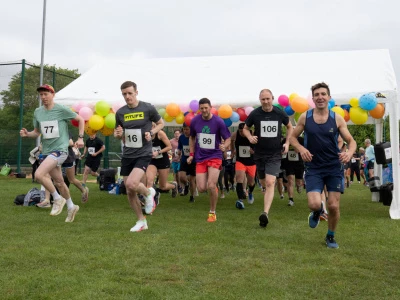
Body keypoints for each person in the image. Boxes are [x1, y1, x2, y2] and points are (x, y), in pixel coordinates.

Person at [289, 82, 356, 249]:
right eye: (317, 95)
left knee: (333, 205)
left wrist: (348, 153)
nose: (320, 97)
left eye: (323, 94)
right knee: (313, 203)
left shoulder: (337, 118)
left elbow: (351, 141)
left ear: (329, 97)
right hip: (314, 167)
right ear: (313, 98)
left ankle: (330, 236)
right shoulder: (305, 117)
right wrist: (301, 148)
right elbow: (292, 137)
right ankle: (317, 211)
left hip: (334, 167)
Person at [19, 84, 84, 222]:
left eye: (46, 94)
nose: (43, 97)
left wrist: (80, 138)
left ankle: (57, 198)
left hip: (60, 150)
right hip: (47, 151)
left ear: (53, 95)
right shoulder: (38, 112)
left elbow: (80, 120)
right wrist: (27, 134)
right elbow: (36, 132)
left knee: (39, 174)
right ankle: (71, 206)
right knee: (59, 182)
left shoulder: (61, 109)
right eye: (41, 95)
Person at [114, 80, 164, 232]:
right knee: (129, 190)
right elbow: (119, 135)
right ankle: (141, 221)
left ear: (136, 92)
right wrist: (118, 135)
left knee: (131, 184)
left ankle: (149, 192)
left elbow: (161, 123)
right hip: (128, 154)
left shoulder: (147, 107)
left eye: (130, 93)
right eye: (124, 94)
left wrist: (152, 132)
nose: (127, 97)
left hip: (143, 153)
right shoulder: (120, 113)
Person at [243, 89, 293, 228]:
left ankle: (265, 213)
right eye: (263, 99)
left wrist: (287, 142)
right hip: (259, 153)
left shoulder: (279, 112)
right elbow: (246, 128)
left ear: (272, 98)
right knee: (264, 182)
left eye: (268, 99)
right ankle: (265, 191)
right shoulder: (255, 113)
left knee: (271, 182)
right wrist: (249, 137)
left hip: (274, 154)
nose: (265, 102)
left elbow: (290, 127)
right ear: (260, 100)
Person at [187, 98, 231, 222]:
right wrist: (191, 154)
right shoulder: (195, 121)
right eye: (202, 108)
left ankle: (212, 212)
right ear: (199, 109)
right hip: (200, 157)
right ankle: (214, 189)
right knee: (201, 188)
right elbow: (192, 138)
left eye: (206, 108)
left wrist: (225, 146)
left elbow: (227, 138)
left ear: (210, 107)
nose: (204, 110)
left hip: (215, 156)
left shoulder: (218, 121)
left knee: (211, 185)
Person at [145, 124, 178, 203]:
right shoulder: (145, 134)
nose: (151, 129)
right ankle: (151, 201)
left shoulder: (160, 133)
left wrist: (158, 152)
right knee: (149, 181)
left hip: (163, 160)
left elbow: (169, 147)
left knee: (162, 186)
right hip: (152, 161)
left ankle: (174, 186)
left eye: (152, 127)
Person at [231, 122, 256, 209]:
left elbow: (259, 146)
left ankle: (250, 192)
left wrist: (254, 151)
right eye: (240, 131)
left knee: (251, 182)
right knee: (239, 179)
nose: (242, 133)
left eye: (243, 131)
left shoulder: (253, 134)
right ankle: (240, 200)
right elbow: (231, 140)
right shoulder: (236, 134)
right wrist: (232, 150)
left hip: (251, 162)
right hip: (240, 160)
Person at [283, 136, 305, 206]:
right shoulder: (285, 140)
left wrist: (295, 145)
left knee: (298, 182)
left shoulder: (301, 140)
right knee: (290, 180)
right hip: (289, 163)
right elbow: (281, 149)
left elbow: (301, 150)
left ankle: (299, 186)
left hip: (299, 163)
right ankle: (291, 200)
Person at [177, 123, 197, 202]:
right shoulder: (181, 137)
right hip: (184, 159)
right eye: (184, 129)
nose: (185, 131)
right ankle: (186, 185)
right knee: (181, 177)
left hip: (194, 160)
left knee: (192, 179)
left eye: (187, 129)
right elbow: (179, 147)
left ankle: (192, 196)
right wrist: (178, 151)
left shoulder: (195, 137)